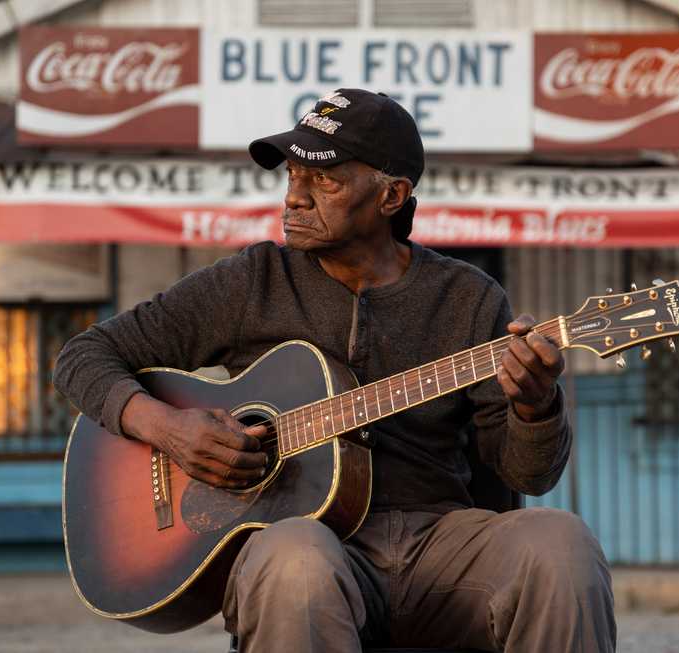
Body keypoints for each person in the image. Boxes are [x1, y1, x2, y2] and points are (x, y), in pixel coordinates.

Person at [53, 89, 615, 652]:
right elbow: (83, 356)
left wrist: (536, 406)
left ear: (392, 195)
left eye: (323, 181)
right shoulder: (253, 281)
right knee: (296, 560)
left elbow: (528, 476)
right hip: (311, 551)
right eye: (292, 176)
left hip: (441, 548)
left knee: (561, 543)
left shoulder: (467, 298)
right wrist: (167, 429)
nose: (294, 199)